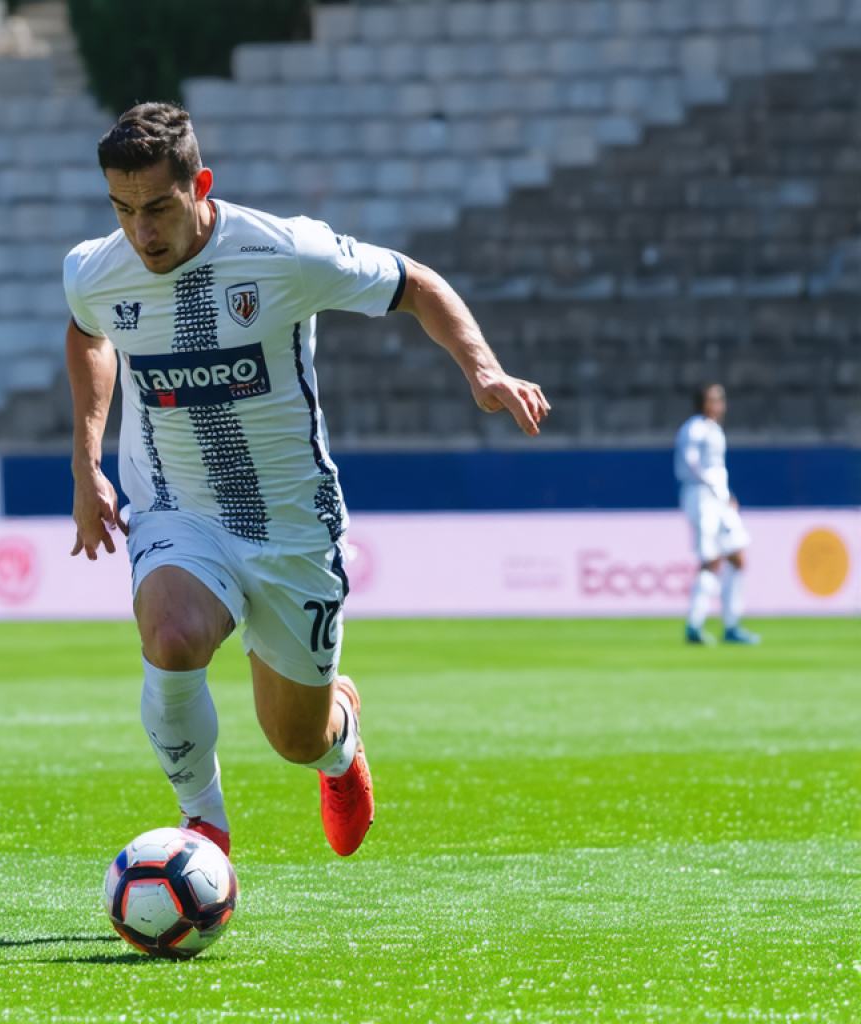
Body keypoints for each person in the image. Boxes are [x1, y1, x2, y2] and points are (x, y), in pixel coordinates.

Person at [61, 103, 550, 857]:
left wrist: (483, 370)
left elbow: (414, 282)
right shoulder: (99, 270)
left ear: (201, 186)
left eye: (158, 208)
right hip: (176, 507)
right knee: (170, 634)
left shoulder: (285, 253)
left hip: (292, 525)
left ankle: (339, 743)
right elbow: (87, 329)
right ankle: (203, 824)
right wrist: (87, 460)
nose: (142, 232)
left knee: (295, 738)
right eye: (123, 210)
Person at [675, 383, 759, 646]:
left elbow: (716, 468)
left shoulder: (713, 429)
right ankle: (694, 625)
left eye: (721, 399)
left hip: (718, 498)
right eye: (715, 399)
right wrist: (712, 488)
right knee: (710, 560)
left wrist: (726, 494)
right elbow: (690, 463)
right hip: (701, 497)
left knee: (737, 556)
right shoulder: (694, 428)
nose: (720, 405)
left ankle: (732, 624)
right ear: (703, 403)